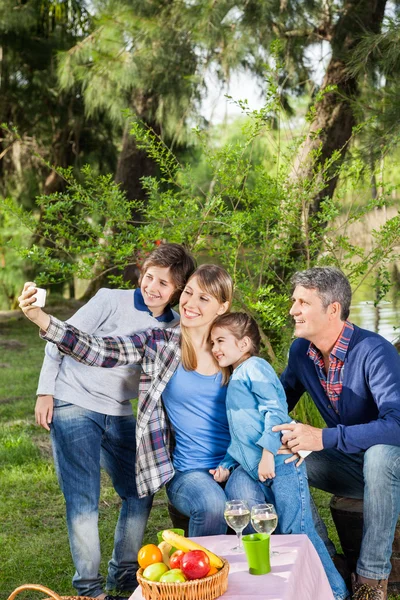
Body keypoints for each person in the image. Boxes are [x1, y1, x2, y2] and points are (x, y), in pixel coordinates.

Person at [19, 264, 236, 541]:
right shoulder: (160, 344)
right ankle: (205, 581)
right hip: (188, 468)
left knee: (257, 502)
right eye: (189, 293)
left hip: (237, 461)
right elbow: (99, 350)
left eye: (203, 299)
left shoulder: (232, 347)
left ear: (222, 306)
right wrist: (42, 319)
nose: (190, 304)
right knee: (213, 505)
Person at [33, 243, 196, 600]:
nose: (151, 287)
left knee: (140, 490)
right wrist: (45, 391)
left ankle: (124, 576)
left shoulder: (173, 327)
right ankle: (89, 590)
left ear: (178, 290)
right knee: (83, 499)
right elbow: (61, 338)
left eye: (163, 284)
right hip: (74, 401)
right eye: (149, 277)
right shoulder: (110, 299)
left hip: (120, 411)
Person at [229, 267, 400, 600]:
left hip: (391, 466)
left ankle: (370, 580)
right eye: (294, 301)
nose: (293, 310)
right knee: (283, 451)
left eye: (303, 303)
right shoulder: (301, 354)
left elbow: (397, 425)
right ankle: (324, 558)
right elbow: (276, 405)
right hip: (349, 466)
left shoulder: (375, 352)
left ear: (332, 309)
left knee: (379, 456)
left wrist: (323, 437)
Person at [209, 312, 349, 600]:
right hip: (255, 467)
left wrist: (268, 453)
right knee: (264, 528)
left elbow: (275, 410)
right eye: (212, 343)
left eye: (221, 340)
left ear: (244, 343)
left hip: (280, 462)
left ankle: (335, 592)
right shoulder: (236, 376)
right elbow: (240, 436)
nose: (215, 348)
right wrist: (226, 465)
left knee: (297, 530)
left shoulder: (255, 367)